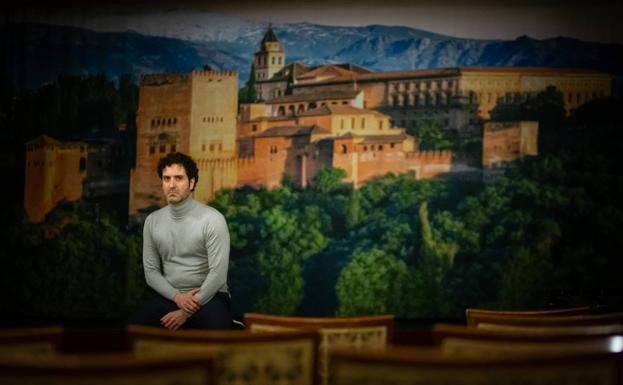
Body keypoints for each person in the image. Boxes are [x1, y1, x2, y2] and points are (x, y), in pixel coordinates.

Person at [129, 152, 232, 330]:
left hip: (210, 296)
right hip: (169, 296)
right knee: (133, 331)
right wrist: (178, 297)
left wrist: (185, 312)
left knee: (218, 334)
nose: (172, 185)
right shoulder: (152, 221)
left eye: (179, 178)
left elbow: (218, 275)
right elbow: (151, 272)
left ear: (191, 183)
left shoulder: (213, 219)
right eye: (166, 179)